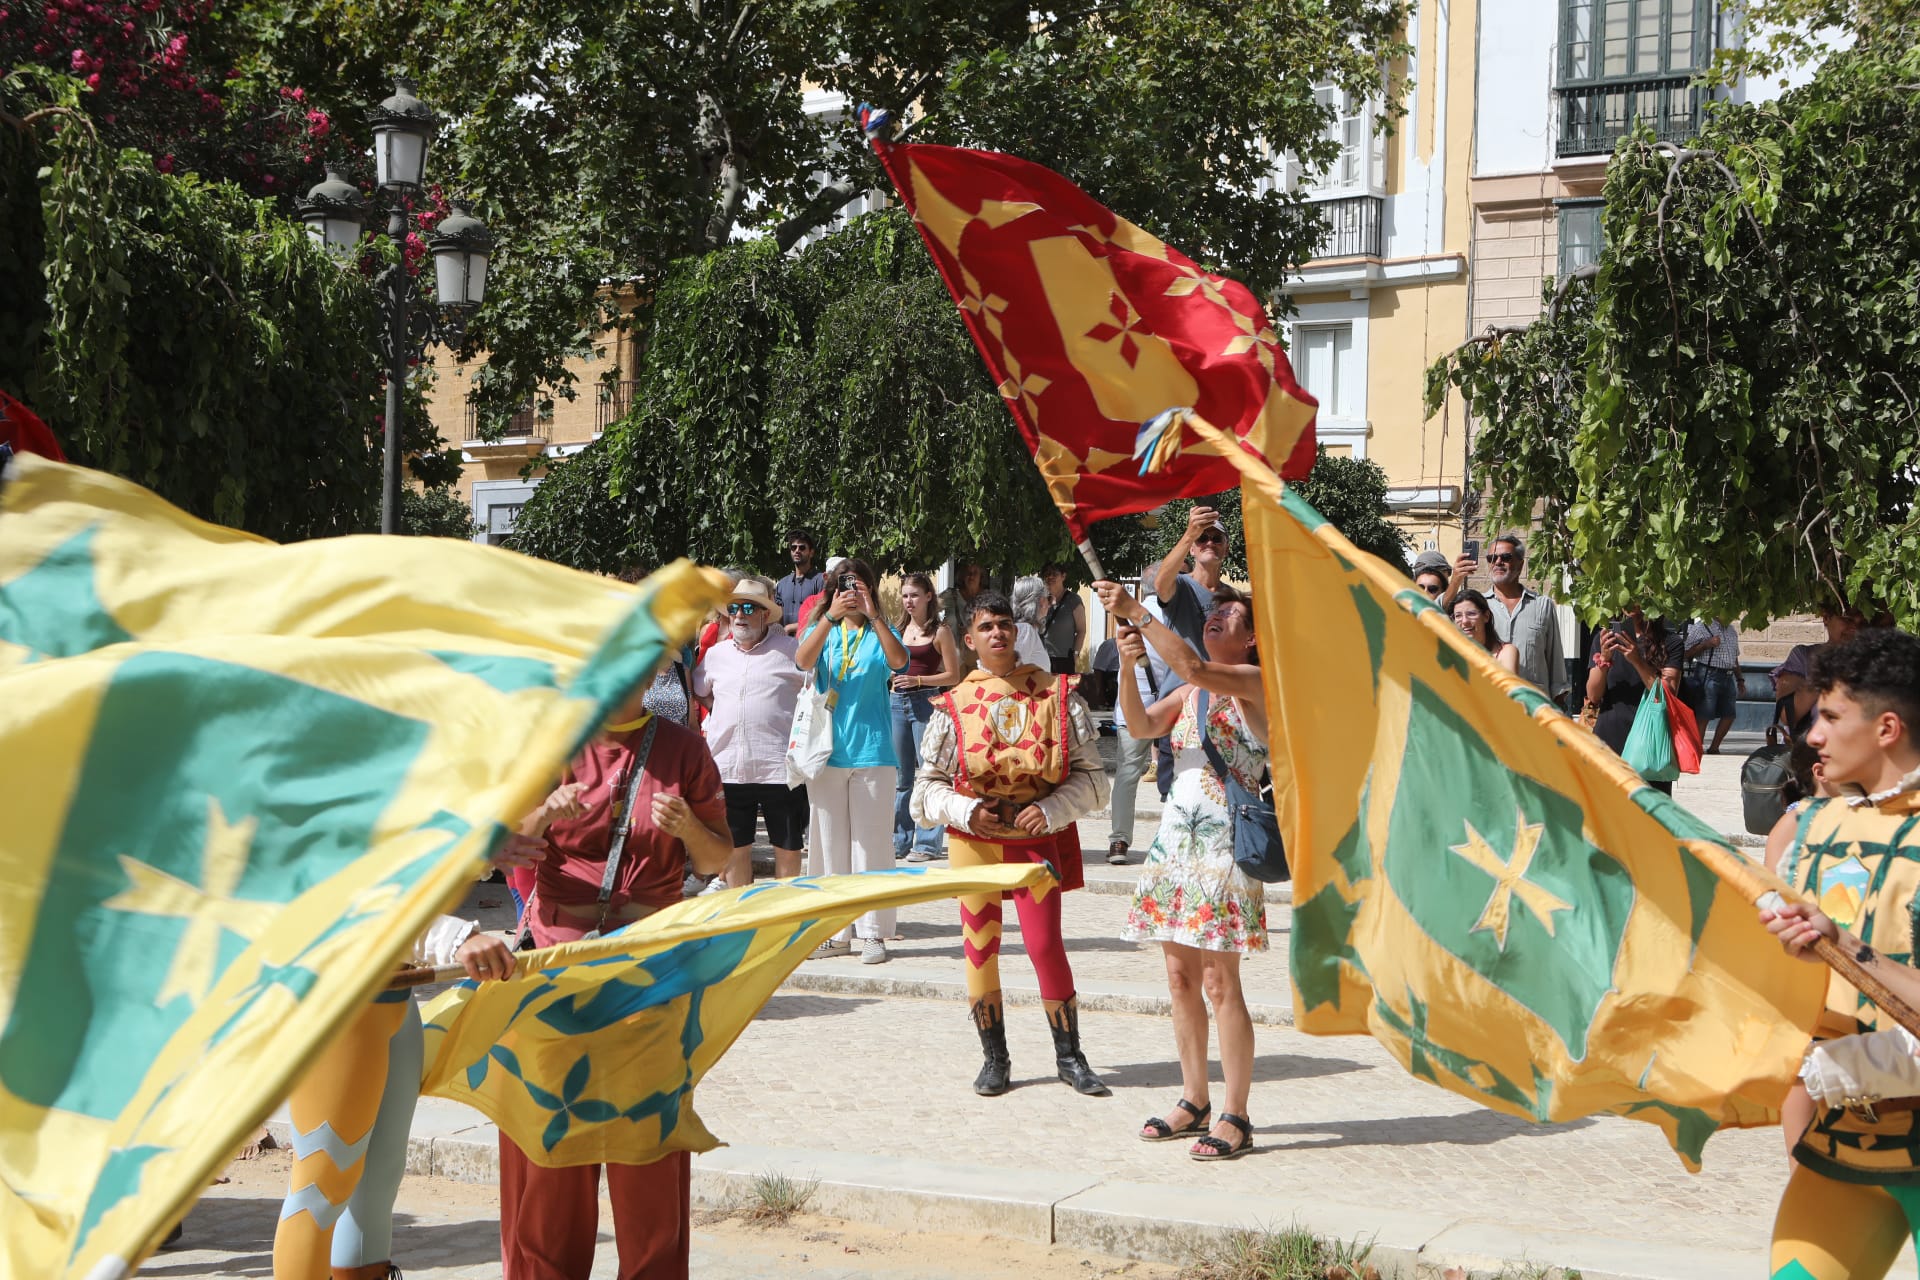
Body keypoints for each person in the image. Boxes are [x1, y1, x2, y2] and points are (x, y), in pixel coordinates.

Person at [498, 675, 732, 1280]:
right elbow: (501, 848)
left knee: (646, 1151)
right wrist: (544, 812)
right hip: (559, 975)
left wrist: (688, 829)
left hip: (650, 977)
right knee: (553, 1149)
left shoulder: (684, 749)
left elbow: (716, 860)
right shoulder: (551, 743)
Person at [275, 844, 537, 1280]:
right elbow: (356, 897)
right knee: (323, 1182)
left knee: (377, 1180)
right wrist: (454, 938)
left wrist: (480, 847)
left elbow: (406, 868)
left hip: (394, 997)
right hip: (335, 1005)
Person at [1755, 629, 1920, 1280]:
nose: (1813, 736)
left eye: (1829, 717)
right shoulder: (1812, 827)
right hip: (1848, 1140)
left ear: (1886, 728)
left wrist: (1846, 946)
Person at [911, 590, 1112, 1098]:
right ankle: (994, 1058)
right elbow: (925, 790)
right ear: (969, 639)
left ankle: (1070, 1057)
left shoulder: (1056, 695)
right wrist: (966, 811)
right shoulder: (953, 705)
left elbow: (1094, 781)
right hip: (975, 840)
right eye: (986, 627)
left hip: (1035, 837)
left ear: (1016, 631)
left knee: (1045, 945)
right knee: (981, 949)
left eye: (1003, 624)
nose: (997, 633)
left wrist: (1050, 809)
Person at [1096, 578, 1269, 1163]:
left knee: (1221, 982)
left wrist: (1137, 612)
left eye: (1231, 615)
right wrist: (1127, 666)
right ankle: (1194, 1098)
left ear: (1252, 639)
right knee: (1179, 978)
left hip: (1225, 847)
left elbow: (1192, 664)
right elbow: (1142, 725)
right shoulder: (1192, 692)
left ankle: (1236, 1113)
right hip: (1176, 844)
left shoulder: (1253, 681)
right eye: (1213, 612)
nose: (1216, 617)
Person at [794, 557, 909, 964]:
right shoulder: (822, 629)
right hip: (826, 752)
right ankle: (834, 933)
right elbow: (802, 661)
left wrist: (875, 615)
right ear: (832, 591)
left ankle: (873, 933)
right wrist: (829, 616)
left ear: (871, 590)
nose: (851, 593)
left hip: (873, 751)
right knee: (828, 847)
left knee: (872, 846)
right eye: (844, 586)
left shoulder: (882, 632)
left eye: (859, 585)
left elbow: (899, 663)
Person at [692, 575, 808, 888]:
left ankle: (785, 912)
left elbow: (814, 691)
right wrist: (721, 710)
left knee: (787, 846)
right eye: (734, 609)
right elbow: (699, 690)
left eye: (748, 608)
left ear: (765, 614)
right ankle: (743, 912)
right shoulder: (716, 654)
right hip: (729, 767)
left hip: (778, 767)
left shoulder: (791, 650)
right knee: (735, 849)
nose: (739, 615)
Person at [891, 573, 963, 862]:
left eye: (914, 595)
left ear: (928, 597)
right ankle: (900, 840)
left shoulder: (940, 631)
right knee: (902, 777)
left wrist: (918, 680)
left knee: (930, 772)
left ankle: (928, 842)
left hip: (926, 701)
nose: (909, 601)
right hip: (896, 702)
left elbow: (953, 675)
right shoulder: (897, 628)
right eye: (905, 595)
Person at [1106, 592, 1179, 866]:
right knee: (1179, 774)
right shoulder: (1171, 614)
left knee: (1126, 775)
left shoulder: (1127, 620)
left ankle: (1119, 840)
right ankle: (1173, 841)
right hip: (1172, 704)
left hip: (1133, 706)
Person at [1583, 607, 1685, 794]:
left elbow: (1667, 694)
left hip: (1650, 746)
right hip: (1609, 743)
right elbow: (1593, 696)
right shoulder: (1605, 639)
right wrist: (1604, 659)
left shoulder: (1670, 642)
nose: (1630, 602)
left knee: (1649, 809)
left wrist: (1637, 660)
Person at [1481, 534, 1570, 707]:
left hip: (1534, 707)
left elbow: (1555, 661)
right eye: (1492, 558)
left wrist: (1559, 704)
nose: (1498, 562)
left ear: (1520, 564)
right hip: (1491, 705)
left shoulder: (1542, 605)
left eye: (1505, 557)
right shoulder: (1479, 607)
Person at [1149, 505, 1229, 655]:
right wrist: (1190, 534)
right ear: (1192, 549)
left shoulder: (1232, 596)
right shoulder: (1180, 584)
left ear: (1226, 549)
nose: (1209, 543)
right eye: (1202, 538)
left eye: (1217, 539)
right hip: (1183, 671)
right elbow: (1160, 584)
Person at [1775, 605, 1867, 737]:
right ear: (1826, 618)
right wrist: (1826, 670)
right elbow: (1786, 715)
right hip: (1812, 748)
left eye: (1863, 623)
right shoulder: (1803, 656)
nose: (1855, 628)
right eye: (1847, 619)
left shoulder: (1875, 660)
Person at [1684, 617, 1743, 754]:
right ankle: (1696, 749)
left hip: (1728, 675)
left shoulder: (1731, 630)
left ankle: (1714, 747)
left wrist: (1740, 679)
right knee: (1704, 714)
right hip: (1709, 673)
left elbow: (1734, 658)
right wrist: (1705, 645)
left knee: (1729, 714)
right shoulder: (1702, 627)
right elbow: (1685, 653)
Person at [1450, 588, 1519, 674]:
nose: (1465, 621)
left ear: (1486, 616)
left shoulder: (1506, 653)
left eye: (1471, 614)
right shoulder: (1450, 655)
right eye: (1458, 616)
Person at [775, 528, 825, 636]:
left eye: (802, 547)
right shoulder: (782, 584)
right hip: (785, 642)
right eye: (793, 547)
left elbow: (823, 615)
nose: (797, 550)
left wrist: (791, 627)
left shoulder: (821, 580)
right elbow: (777, 618)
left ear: (811, 553)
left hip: (811, 640)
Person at [1040, 562, 1086, 676]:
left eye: (1054, 574)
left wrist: (1075, 655)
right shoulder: (1041, 601)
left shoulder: (1073, 600)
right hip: (1040, 658)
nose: (1050, 577)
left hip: (1063, 660)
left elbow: (1081, 630)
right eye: (1047, 574)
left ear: (1063, 576)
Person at [941, 560, 989, 665]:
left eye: (975, 572)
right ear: (962, 576)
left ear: (981, 576)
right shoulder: (951, 595)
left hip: (979, 657)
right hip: (953, 659)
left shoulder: (988, 599)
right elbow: (928, 607)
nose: (971, 576)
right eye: (968, 572)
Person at [1009, 574, 1054, 670]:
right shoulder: (1025, 630)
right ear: (1041, 601)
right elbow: (1014, 670)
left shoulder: (1027, 629)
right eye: (1049, 598)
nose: (1051, 603)